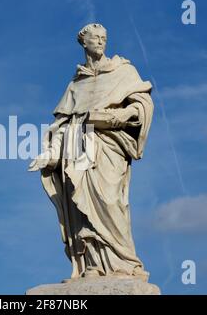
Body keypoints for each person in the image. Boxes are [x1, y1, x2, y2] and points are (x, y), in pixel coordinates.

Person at [29, 23, 154, 281]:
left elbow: (143, 103)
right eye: (95, 38)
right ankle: (92, 265)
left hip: (109, 146)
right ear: (83, 43)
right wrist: (52, 152)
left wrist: (120, 115)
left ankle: (123, 263)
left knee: (109, 201)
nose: (100, 41)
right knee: (79, 203)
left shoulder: (123, 71)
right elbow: (61, 124)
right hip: (77, 149)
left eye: (104, 38)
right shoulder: (76, 84)